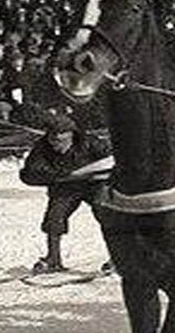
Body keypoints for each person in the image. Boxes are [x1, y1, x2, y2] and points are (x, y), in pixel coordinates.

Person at [19, 115, 112, 273]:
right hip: (64, 187)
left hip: (94, 185)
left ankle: (117, 257)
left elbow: (112, 158)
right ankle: (53, 258)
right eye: (52, 136)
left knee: (107, 214)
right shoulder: (41, 148)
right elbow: (29, 174)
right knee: (54, 218)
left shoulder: (89, 142)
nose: (57, 139)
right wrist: (59, 175)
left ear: (71, 134)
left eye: (62, 135)